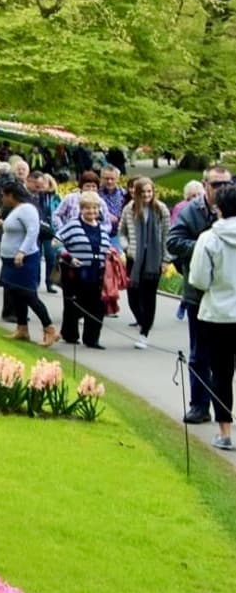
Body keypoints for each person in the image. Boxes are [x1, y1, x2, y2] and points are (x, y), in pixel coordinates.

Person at [168, 165, 233, 424]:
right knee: (200, 354)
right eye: (216, 184)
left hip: (230, 298)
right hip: (200, 296)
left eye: (226, 184)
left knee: (225, 362)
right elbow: (173, 241)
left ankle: (223, 411)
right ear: (205, 185)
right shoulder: (191, 211)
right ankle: (200, 404)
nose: (221, 189)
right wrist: (204, 249)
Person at [185, 181, 236, 451]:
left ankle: (225, 431)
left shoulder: (209, 239)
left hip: (218, 314)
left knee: (222, 372)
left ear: (219, 209)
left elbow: (199, 279)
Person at [0, 179, 58, 345]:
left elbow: (33, 231)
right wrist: (1, 224)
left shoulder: (27, 209)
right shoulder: (17, 209)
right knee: (16, 293)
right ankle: (22, 328)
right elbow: (17, 228)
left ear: (12, 196)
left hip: (24, 259)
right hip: (10, 259)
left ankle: (49, 328)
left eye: (4, 195)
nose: (2, 198)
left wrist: (22, 251)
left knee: (28, 294)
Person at [56, 190, 114, 348]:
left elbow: (107, 247)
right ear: (81, 209)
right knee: (74, 305)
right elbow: (56, 242)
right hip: (75, 272)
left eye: (95, 208)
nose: (92, 211)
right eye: (88, 208)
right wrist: (68, 257)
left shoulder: (102, 228)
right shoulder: (73, 225)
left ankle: (92, 339)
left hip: (97, 273)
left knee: (97, 307)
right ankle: (69, 334)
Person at [119, 176, 170, 348]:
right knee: (133, 296)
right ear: (137, 193)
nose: (147, 195)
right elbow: (121, 232)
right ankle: (142, 321)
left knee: (148, 297)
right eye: (143, 192)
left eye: (150, 191)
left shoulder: (161, 209)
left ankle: (144, 334)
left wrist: (165, 260)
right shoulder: (129, 209)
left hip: (153, 260)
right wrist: (127, 247)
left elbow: (167, 236)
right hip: (135, 259)